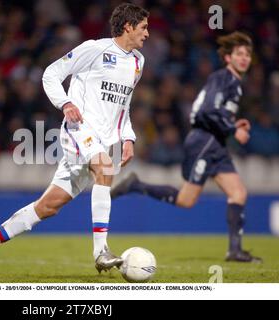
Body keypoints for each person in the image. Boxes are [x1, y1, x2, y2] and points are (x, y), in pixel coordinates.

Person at [0, 3, 150, 280]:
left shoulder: (138, 62)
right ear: (128, 26)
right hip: (78, 130)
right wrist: (65, 103)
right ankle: (101, 252)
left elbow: (123, 107)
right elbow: (51, 74)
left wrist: (128, 137)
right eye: (144, 27)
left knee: (48, 207)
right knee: (104, 168)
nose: (147, 34)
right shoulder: (94, 49)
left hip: (103, 139)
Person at [111, 32, 262, 263]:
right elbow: (205, 112)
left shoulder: (233, 82)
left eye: (248, 55)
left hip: (215, 143)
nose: (244, 58)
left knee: (238, 193)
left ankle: (234, 251)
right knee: (186, 200)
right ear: (227, 58)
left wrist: (231, 124)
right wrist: (233, 130)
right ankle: (136, 185)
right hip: (204, 142)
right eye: (239, 54)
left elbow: (214, 112)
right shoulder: (224, 78)